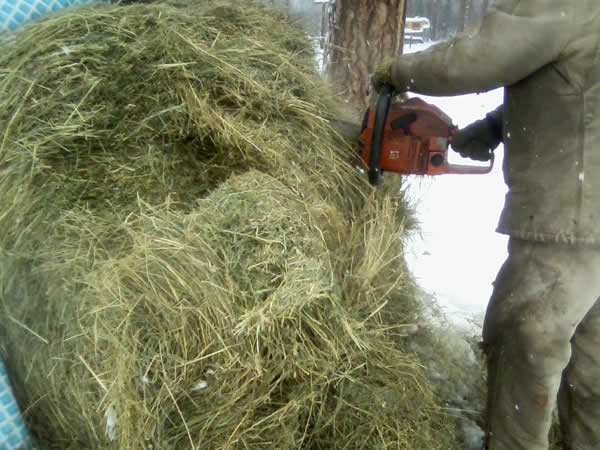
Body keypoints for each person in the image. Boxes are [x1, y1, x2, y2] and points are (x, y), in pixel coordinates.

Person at [372, 1, 600, 449]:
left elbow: (473, 60)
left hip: (569, 224)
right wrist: (497, 126)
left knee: (525, 350)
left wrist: (395, 71)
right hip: (589, 222)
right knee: (591, 372)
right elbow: (580, 81)